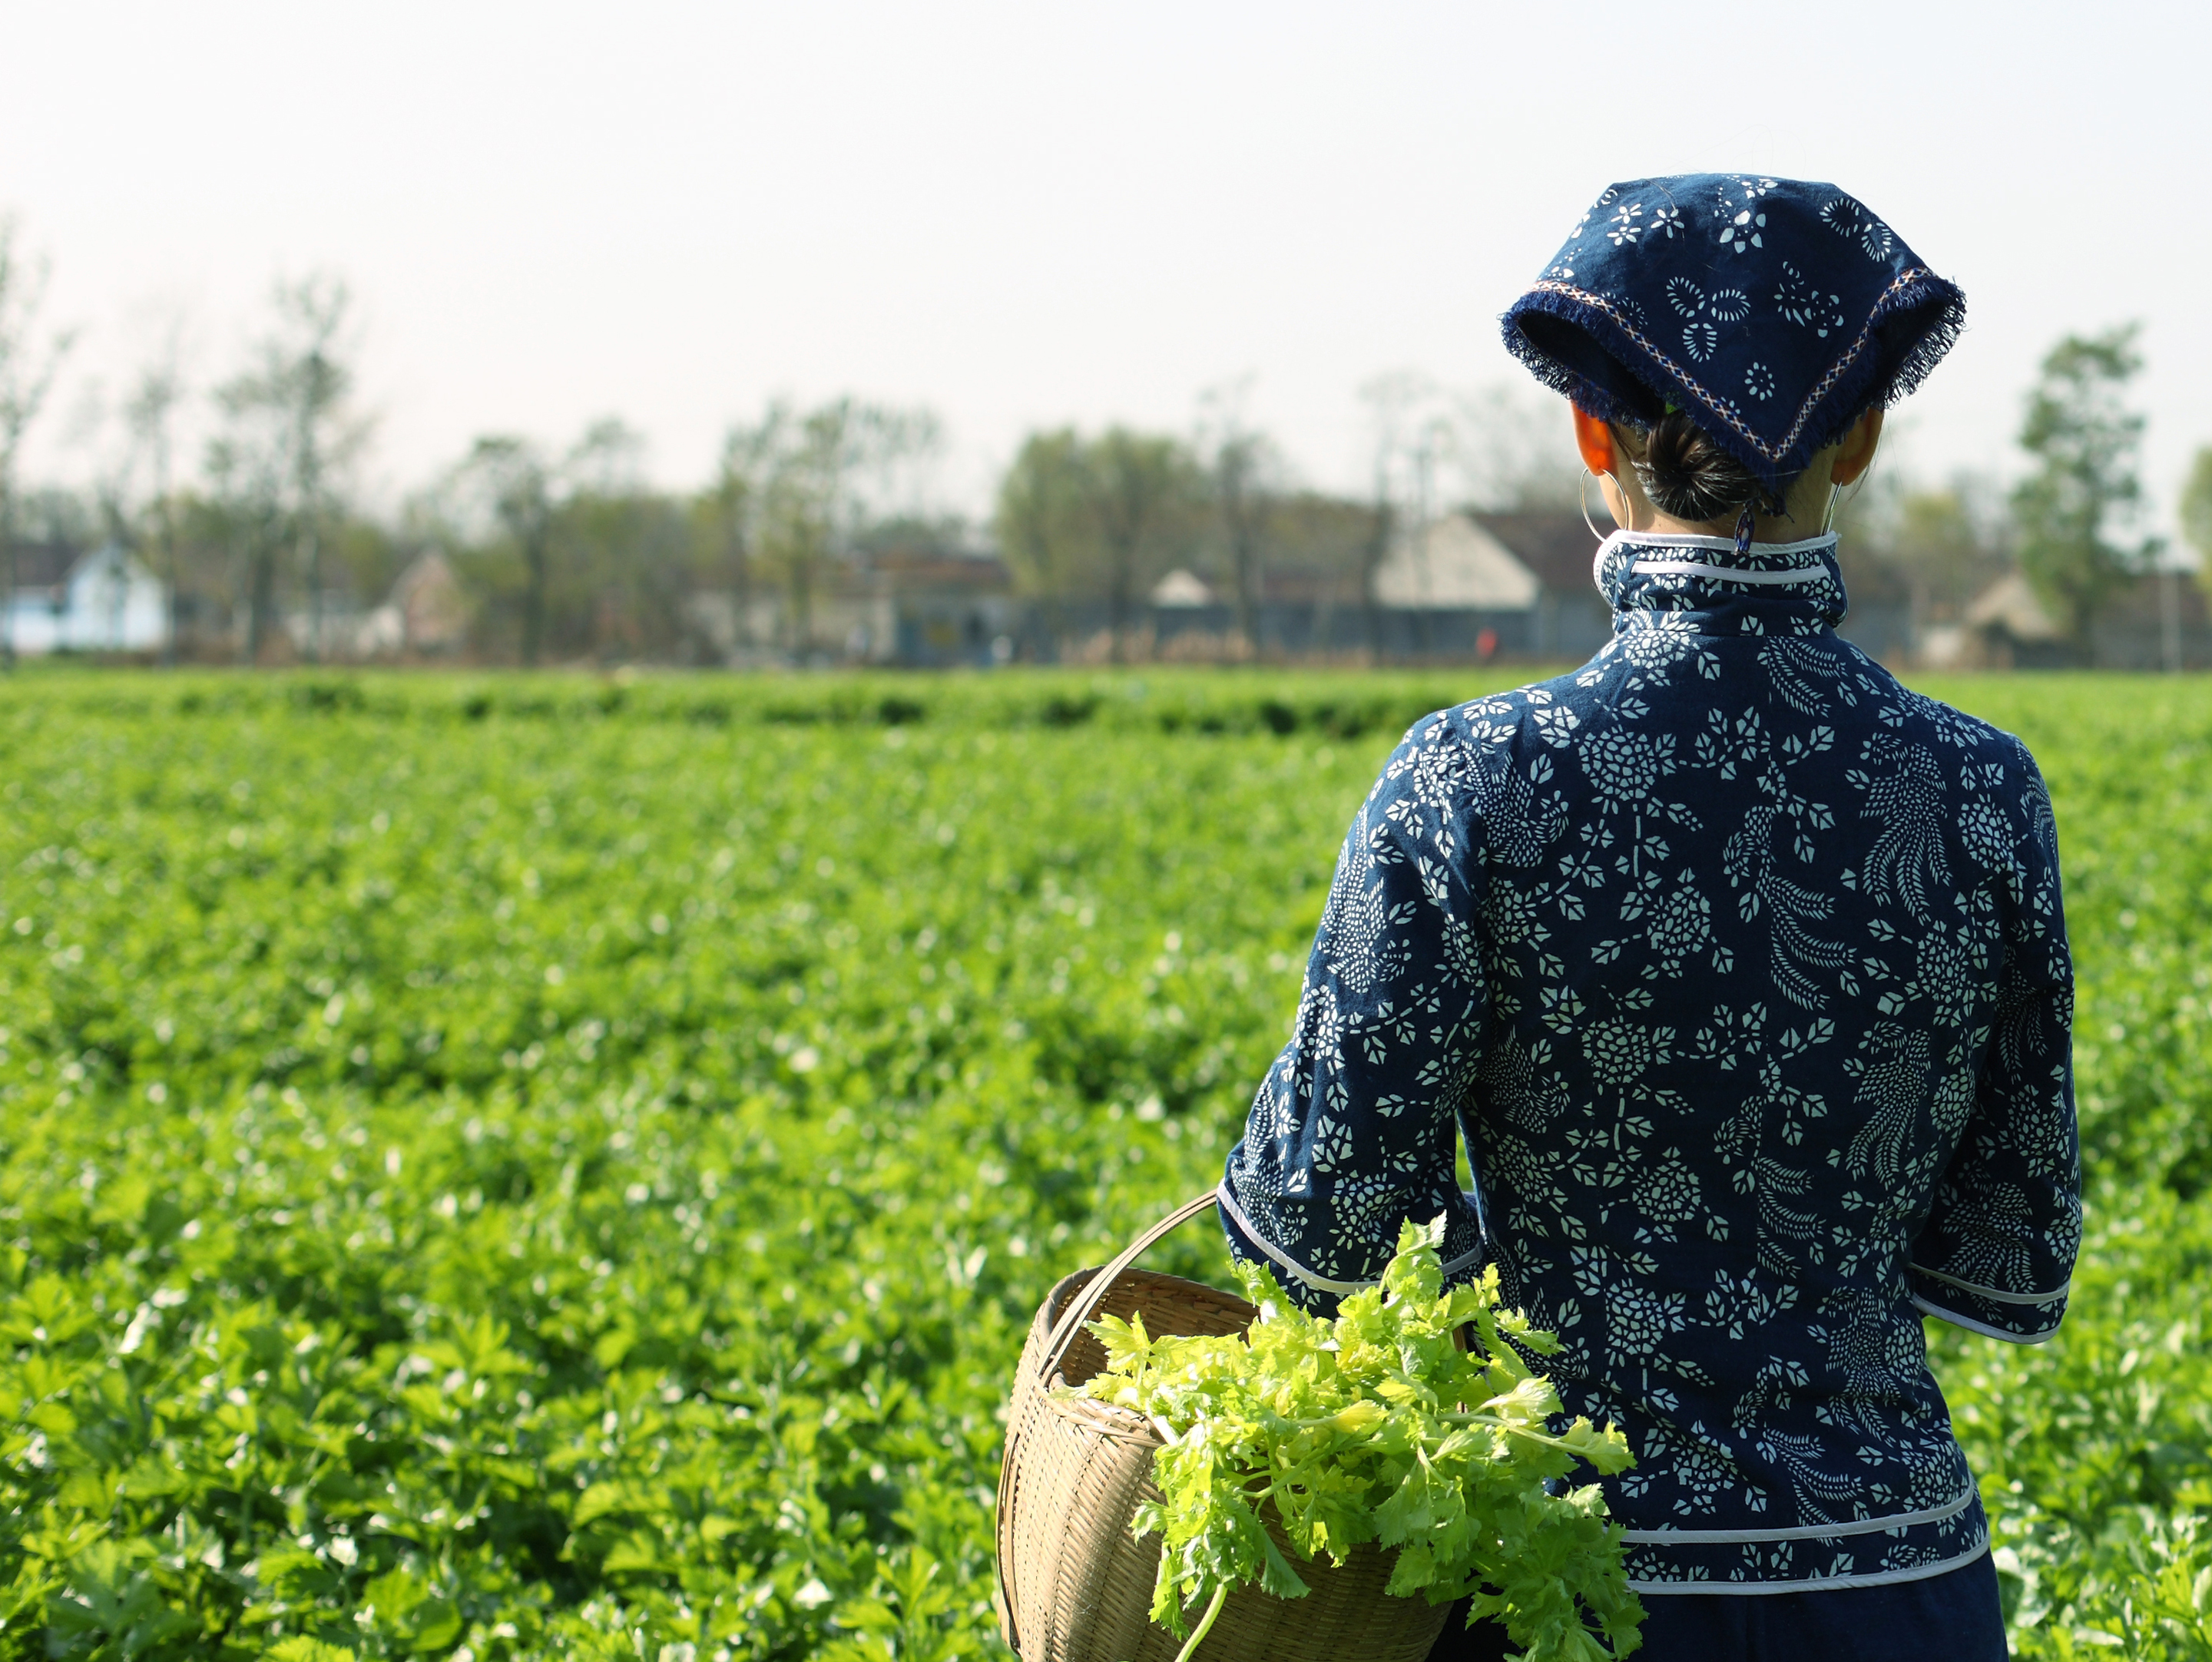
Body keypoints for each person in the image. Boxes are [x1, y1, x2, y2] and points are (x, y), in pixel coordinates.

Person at [1215, 176, 2078, 1661]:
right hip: (1895, 1587)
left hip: (1551, 1578)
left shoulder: (1472, 778)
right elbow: (2010, 1237)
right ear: (1861, 437)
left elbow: (1325, 1225)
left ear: (1590, 433)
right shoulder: (1982, 790)